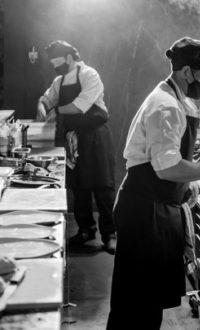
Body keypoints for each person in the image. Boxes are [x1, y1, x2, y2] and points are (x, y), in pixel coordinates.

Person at [107, 36, 200, 329]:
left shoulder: (177, 99)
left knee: (147, 303)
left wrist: (185, 184)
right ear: (186, 72)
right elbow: (166, 168)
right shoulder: (165, 105)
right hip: (145, 212)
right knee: (136, 305)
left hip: (156, 206)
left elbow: (162, 161)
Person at [37, 40, 117, 254]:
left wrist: (57, 111)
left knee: (103, 187)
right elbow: (47, 98)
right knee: (79, 186)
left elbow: (79, 106)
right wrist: (42, 106)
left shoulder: (89, 75)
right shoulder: (59, 80)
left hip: (96, 136)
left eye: (58, 61)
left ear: (70, 58)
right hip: (74, 137)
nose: (55, 66)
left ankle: (110, 234)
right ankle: (86, 230)